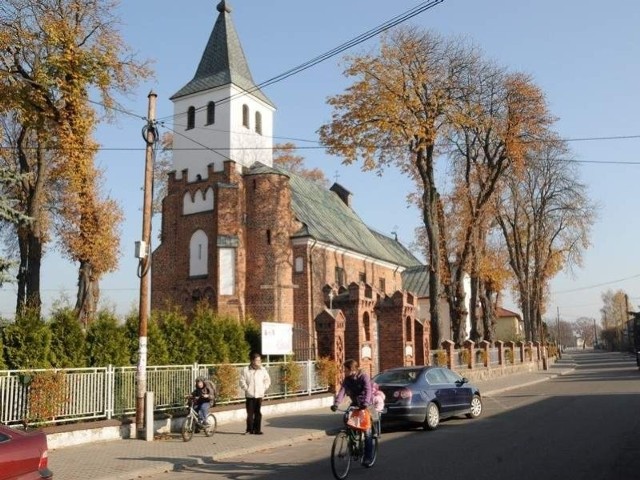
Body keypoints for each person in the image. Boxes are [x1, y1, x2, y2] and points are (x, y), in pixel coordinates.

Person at [330, 359, 375, 467]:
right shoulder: (348, 379)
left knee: (367, 431)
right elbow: (342, 391)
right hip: (355, 403)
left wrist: (365, 403)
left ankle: (368, 457)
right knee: (346, 418)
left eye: (345, 370)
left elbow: (368, 390)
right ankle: (352, 440)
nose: (344, 372)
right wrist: (336, 404)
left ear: (352, 369)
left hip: (366, 403)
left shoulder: (363, 376)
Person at [240, 351, 271, 435]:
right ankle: (249, 429)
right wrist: (247, 389)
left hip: (259, 394)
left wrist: (264, 388)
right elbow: (242, 381)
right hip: (250, 395)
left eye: (260, 360)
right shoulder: (246, 370)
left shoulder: (262, 369)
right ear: (252, 361)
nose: (259, 362)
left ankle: (257, 430)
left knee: (258, 413)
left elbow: (267, 380)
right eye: (257, 360)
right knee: (250, 414)